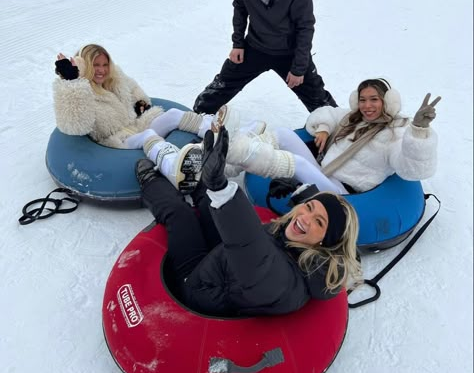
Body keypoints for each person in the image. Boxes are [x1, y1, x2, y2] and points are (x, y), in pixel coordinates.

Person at [135, 127, 362, 317]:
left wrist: (222, 189)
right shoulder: (305, 244)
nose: (304, 218)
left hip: (201, 286)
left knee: (180, 215)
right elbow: (307, 218)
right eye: (309, 208)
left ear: (327, 241)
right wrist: (299, 192)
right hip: (224, 258)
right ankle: (194, 177)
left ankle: (150, 180)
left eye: (319, 222)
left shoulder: (286, 283)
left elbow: (253, 250)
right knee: (206, 199)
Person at [53, 43, 242, 191]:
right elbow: (75, 123)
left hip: (136, 125)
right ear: (84, 66)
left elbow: (134, 92)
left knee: (173, 115)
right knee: (148, 136)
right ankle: (173, 165)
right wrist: (72, 82)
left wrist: (141, 107)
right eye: (95, 65)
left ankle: (218, 130)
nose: (101, 70)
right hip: (117, 140)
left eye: (104, 65)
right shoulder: (81, 93)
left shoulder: (114, 80)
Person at [192, 0, 336, 115]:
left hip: (289, 52)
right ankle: (194, 121)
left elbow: (305, 26)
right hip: (256, 45)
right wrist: (238, 43)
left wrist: (299, 68)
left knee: (320, 102)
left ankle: (343, 134)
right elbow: (240, 6)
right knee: (218, 89)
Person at [218, 78, 440, 195]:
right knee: (284, 134)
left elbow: (412, 169)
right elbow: (328, 113)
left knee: (297, 164)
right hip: (323, 171)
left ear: (387, 101)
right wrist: (324, 127)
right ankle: (225, 165)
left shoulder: (396, 132)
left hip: (343, 192)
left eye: (374, 99)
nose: (367, 105)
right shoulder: (354, 117)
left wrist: (418, 131)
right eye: (362, 99)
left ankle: (234, 149)